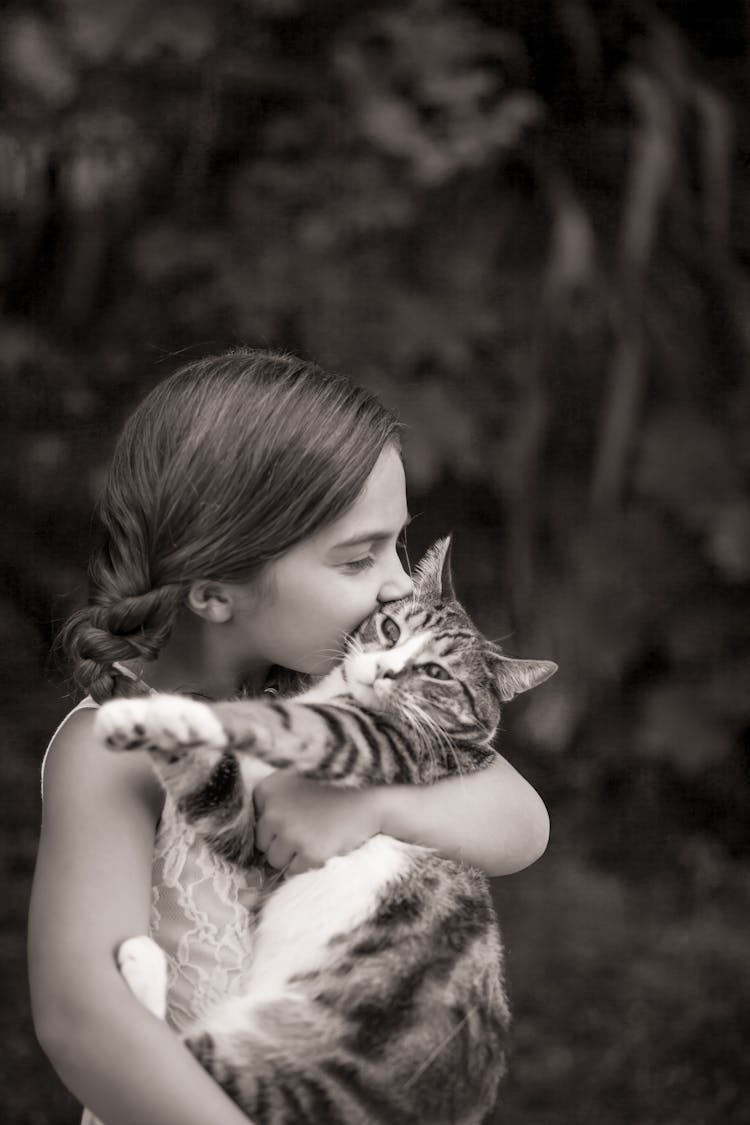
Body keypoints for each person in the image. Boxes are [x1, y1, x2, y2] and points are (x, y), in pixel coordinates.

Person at [28, 349, 550, 1125]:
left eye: (398, 544)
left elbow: (522, 822)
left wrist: (367, 806)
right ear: (215, 590)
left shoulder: (352, 700)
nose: (401, 584)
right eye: (358, 557)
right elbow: (85, 1022)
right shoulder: (115, 747)